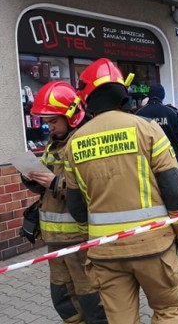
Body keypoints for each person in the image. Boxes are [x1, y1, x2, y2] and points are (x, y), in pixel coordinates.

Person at [64, 58, 178, 323]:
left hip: (105, 253)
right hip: (153, 247)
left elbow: (77, 208)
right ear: (122, 93)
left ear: (88, 99)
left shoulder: (74, 143)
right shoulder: (147, 130)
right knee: (172, 312)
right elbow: (173, 190)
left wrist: (91, 239)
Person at [21, 81, 107, 324]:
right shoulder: (53, 142)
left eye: (53, 121)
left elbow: (95, 187)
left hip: (79, 239)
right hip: (54, 238)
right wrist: (31, 178)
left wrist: (56, 183)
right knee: (62, 297)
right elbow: (46, 184)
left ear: (72, 114)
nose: (50, 126)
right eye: (47, 121)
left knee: (90, 295)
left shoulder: (85, 142)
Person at [135, 83, 178, 169]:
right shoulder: (172, 112)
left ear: (149, 95)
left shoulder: (139, 114)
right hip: (171, 161)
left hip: (148, 163)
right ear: (163, 96)